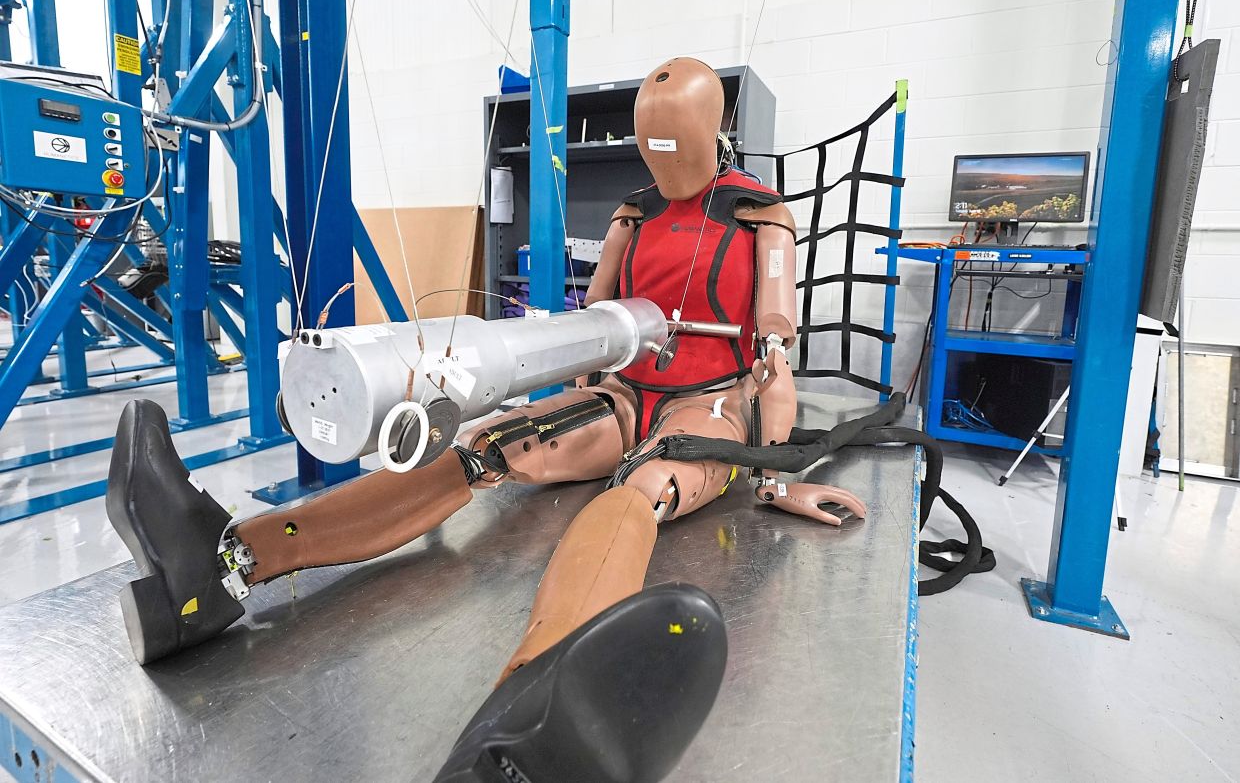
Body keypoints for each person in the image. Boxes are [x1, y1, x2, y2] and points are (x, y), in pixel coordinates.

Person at [107, 57, 865, 783]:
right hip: (625, 392)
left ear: (714, 130)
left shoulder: (758, 215)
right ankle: (223, 561)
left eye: (676, 143)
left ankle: (533, 709)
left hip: (713, 404)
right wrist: (566, 371)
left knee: (639, 488)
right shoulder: (635, 215)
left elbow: (776, 343)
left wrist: (777, 476)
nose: (662, 162)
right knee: (485, 446)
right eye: (651, 145)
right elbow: (594, 314)